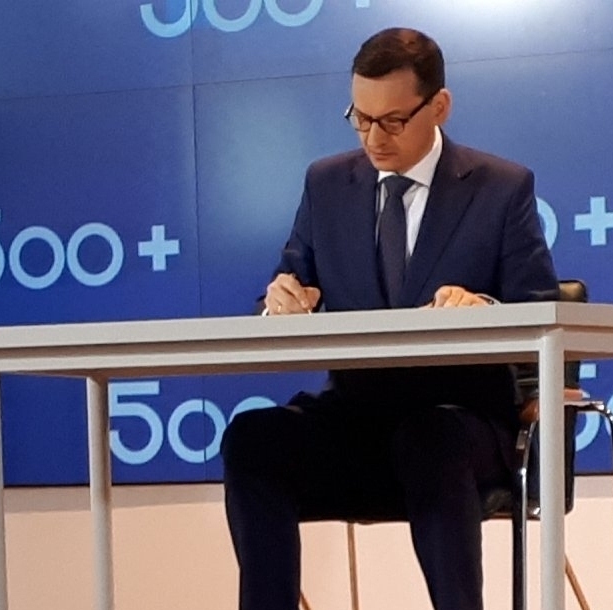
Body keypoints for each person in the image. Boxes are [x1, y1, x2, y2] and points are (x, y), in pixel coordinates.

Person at [221, 27, 558, 610]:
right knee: (253, 439)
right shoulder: (326, 184)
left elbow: (543, 314)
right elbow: (287, 284)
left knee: (429, 438)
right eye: (360, 118)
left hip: (461, 428)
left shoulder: (501, 188)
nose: (374, 138)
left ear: (439, 106)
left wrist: (487, 310)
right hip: (357, 421)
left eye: (393, 121)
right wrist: (281, 301)